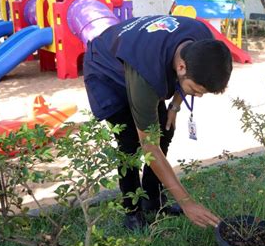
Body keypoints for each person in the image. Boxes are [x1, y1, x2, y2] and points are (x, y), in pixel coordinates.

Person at [83, 15, 233, 230]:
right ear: (181, 67)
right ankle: (132, 211)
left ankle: (153, 200)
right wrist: (187, 202)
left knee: (165, 130)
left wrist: (174, 106)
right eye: (196, 91)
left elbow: (186, 81)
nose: (198, 96)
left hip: (137, 58)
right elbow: (150, 148)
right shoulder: (147, 76)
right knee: (130, 145)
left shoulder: (202, 40)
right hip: (106, 71)